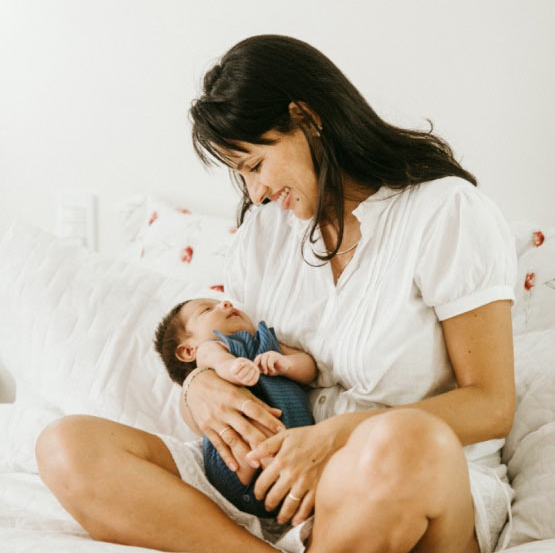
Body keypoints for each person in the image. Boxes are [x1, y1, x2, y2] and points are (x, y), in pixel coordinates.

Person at [36, 34, 517, 553]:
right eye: (241, 176)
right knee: (66, 445)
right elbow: (235, 356)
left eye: (255, 166)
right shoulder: (265, 234)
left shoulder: (445, 212)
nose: (257, 193)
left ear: (305, 118)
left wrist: (337, 437)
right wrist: (198, 388)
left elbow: (491, 405)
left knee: (405, 441)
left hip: (406, 483)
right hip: (276, 493)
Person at [153, 297, 316, 517]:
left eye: (220, 301)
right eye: (207, 310)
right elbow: (218, 360)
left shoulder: (267, 341)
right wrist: (232, 367)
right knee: (246, 433)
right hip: (238, 470)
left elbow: (309, 369)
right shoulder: (211, 349)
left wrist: (286, 364)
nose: (225, 303)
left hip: (300, 455)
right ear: (188, 351)